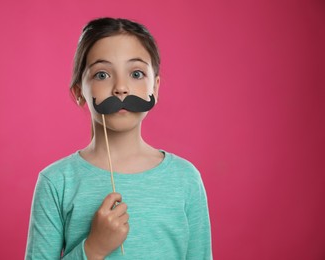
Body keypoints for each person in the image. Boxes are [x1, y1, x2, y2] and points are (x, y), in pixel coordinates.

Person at [25, 17, 212, 260]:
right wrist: (93, 248)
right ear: (79, 92)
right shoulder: (56, 182)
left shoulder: (186, 179)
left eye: (136, 73)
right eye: (102, 75)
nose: (121, 88)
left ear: (154, 88)